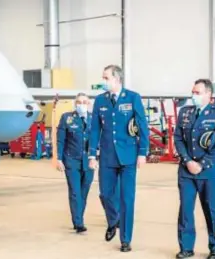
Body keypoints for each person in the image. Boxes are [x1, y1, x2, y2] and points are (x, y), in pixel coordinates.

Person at [88, 65, 149, 252]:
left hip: (128, 156)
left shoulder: (132, 98)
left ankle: (125, 239)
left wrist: (142, 152)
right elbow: (95, 129)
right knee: (105, 194)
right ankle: (114, 220)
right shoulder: (100, 100)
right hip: (107, 156)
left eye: (106, 78)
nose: (103, 81)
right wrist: (92, 153)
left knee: (127, 199)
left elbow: (142, 125)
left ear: (117, 79)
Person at [174, 79, 215, 259]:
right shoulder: (185, 112)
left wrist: (202, 164)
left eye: (197, 92)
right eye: (193, 92)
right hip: (186, 170)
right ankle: (186, 247)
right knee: (186, 210)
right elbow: (178, 139)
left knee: (212, 210)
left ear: (208, 94)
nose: (193, 96)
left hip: (209, 171)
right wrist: (188, 160)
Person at [56, 92, 94, 233]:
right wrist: (59, 159)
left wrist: (96, 157)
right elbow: (60, 140)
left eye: (84, 102)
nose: (81, 105)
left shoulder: (94, 119)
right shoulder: (67, 118)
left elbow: (98, 139)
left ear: (89, 104)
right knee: (75, 192)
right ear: (75, 103)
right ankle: (78, 222)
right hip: (71, 160)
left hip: (88, 162)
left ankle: (79, 216)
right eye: (79, 102)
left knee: (84, 192)